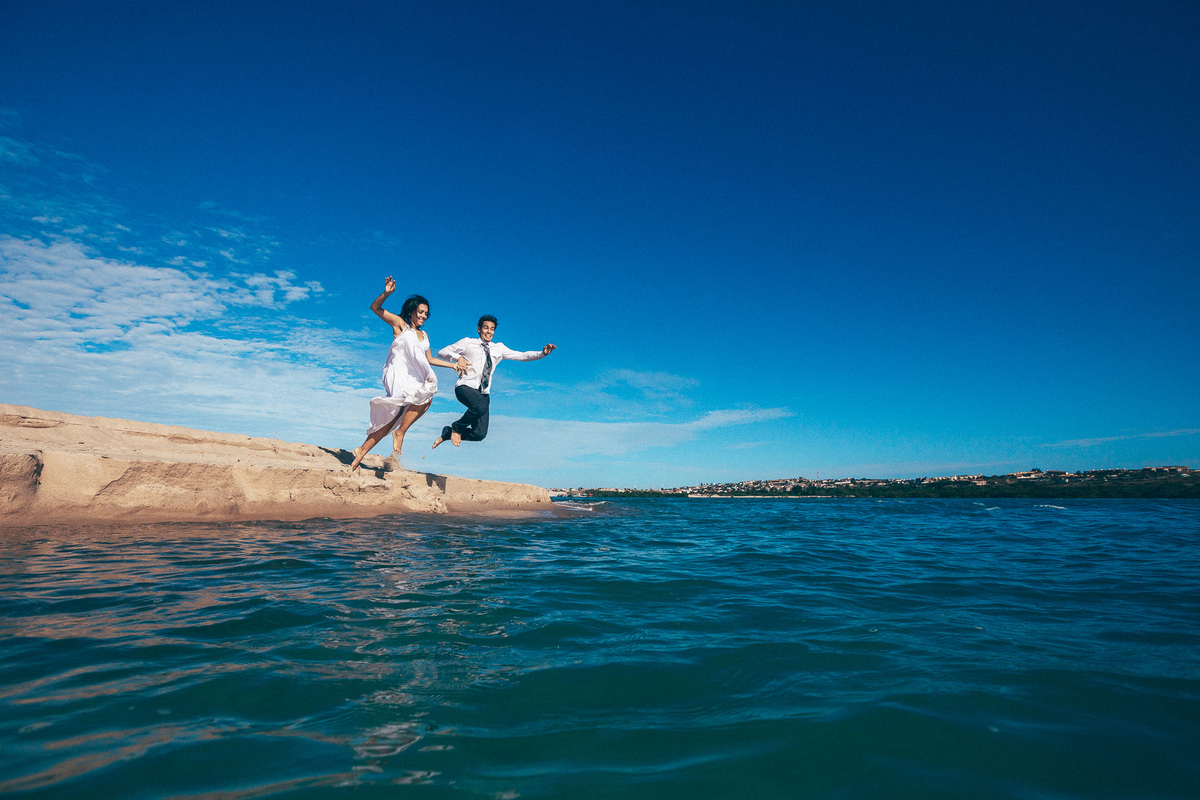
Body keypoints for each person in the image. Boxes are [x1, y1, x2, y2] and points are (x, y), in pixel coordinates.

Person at [349, 277, 466, 470]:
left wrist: (452, 365)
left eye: (426, 314)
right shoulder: (401, 325)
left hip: (413, 378)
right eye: (420, 312)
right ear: (412, 312)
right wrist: (386, 294)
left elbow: (429, 359)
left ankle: (361, 451)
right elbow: (375, 308)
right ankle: (401, 433)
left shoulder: (425, 336)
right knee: (426, 396)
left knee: (393, 418)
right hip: (398, 374)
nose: (423, 316)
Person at [432, 314, 555, 449]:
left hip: (483, 393)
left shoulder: (499, 348)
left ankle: (448, 433)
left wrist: (542, 353)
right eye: (486, 328)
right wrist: (458, 358)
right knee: (480, 407)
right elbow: (443, 352)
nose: (489, 331)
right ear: (479, 329)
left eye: (492, 329)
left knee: (479, 434)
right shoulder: (468, 342)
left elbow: (521, 355)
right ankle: (457, 427)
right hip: (465, 386)